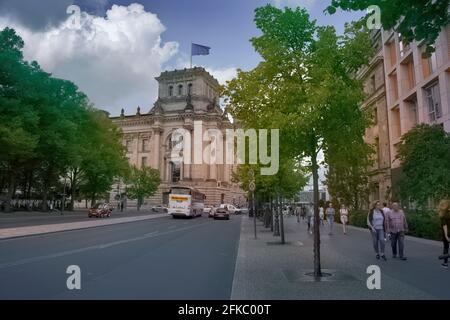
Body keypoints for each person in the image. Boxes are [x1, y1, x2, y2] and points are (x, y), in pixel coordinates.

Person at [437, 199, 450, 268]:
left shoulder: (443, 214)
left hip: (447, 233)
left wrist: (446, 235)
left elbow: (444, 225)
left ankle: (445, 263)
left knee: (446, 247)